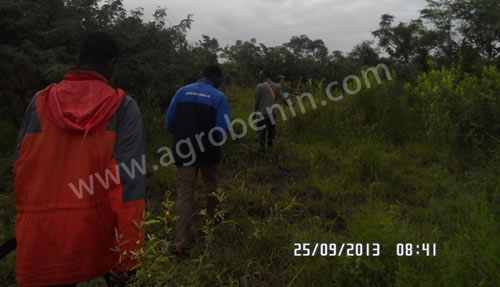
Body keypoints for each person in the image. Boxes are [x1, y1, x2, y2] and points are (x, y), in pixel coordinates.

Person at [13, 32, 146, 286]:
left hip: (42, 236)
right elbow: (128, 185)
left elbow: (22, 168)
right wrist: (129, 255)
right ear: (110, 64)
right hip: (95, 233)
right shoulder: (123, 107)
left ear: (78, 59)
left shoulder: (40, 101)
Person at [166, 65, 231, 255]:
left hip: (184, 150)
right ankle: (212, 224)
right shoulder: (219, 97)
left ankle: (182, 242)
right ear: (215, 77)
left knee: (184, 194)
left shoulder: (181, 91)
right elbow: (222, 129)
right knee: (212, 186)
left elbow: (169, 122)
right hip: (208, 151)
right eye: (220, 79)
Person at [254, 70, 288, 152]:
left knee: (261, 136)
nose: (260, 77)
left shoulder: (259, 86)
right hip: (272, 115)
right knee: (271, 136)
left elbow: (256, 102)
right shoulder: (277, 87)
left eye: (260, 75)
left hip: (262, 115)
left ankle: (262, 153)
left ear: (264, 76)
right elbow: (284, 99)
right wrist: (292, 104)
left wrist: (254, 113)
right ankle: (270, 151)